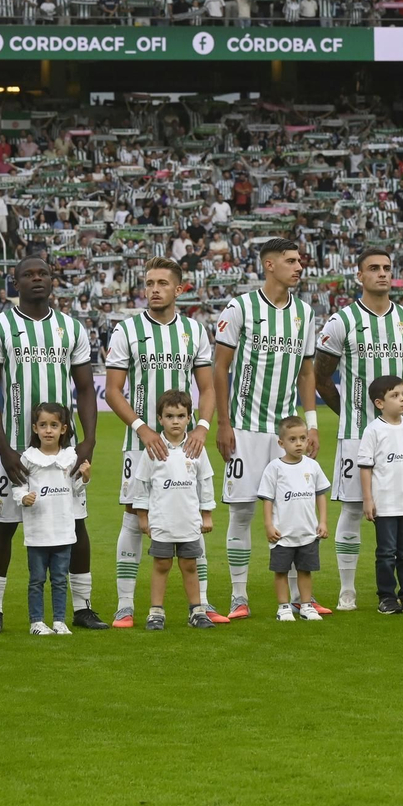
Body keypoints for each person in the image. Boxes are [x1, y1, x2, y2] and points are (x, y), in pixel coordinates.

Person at [0, 257, 106, 633]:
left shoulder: (71, 328)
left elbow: (85, 390)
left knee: (77, 525)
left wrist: (88, 443)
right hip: (17, 451)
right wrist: (4, 449)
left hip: (64, 455)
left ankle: (82, 608)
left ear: (53, 281)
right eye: (28, 275)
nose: (36, 279)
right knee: (3, 526)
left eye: (43, 274)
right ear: (14, 282)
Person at [105, 256, 220, 627]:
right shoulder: (127, 330)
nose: (154, 289)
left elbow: (207, 386)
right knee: (132, 516)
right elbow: (112, 390)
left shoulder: (194, 331)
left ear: (179, 289)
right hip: (140, 440)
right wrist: (141, 427)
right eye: (149, 283)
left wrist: (201, 427)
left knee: (190, 517)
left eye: (162, 283)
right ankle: (125, 604)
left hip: (185, 441)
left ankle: (200, 602)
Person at [315, 247, 403, 611]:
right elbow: (322, 376)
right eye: (373, 269)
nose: (381, 274)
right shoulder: (341, 321)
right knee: (351, 509)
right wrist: (349, 411)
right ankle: (348, 589)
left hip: (399, 434)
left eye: (386, 268)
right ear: (359, 276)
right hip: (355, 435)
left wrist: (396, 407)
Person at [213, 237, 320, 620]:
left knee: (295, 511)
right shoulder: (240, 307)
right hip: (243, 428)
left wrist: (311, 425)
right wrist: (223, 423)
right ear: (269, 265)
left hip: (285, 431)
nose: (299, 266)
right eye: (291, 261)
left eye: (300, 260)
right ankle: (239, 597)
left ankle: (298, 597)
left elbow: (307, 371)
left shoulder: (305, 314)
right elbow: (219, 367)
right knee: (242, 512)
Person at [131, 390, 217, 630]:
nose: (175, 421)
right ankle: (156, 612)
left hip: (189, 521)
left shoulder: (196, 448)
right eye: (170, 416)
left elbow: (206, 481)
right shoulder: (153, 449)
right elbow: (142, 484)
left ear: (189, 418)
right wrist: (143, 516)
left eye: (181, 415)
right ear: (160, 419)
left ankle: (197, 611)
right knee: (161, 565)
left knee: (190, 565)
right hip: (162, 521)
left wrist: (206, 514)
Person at [359, 376, 403, 615]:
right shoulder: (373, 431)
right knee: (386, 554)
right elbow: (366, 468)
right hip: (386, 505)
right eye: (395, 395)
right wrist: (368, 499)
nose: (402, 399)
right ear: (380, 403)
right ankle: (387, 597)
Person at [16, 402, 87, 635]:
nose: (48, 430)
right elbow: (19, 486)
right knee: (37, 579)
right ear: (35, 429)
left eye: (54, 425)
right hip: (38, 532)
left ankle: (59, 621)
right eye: (43, 425)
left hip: (63, 530)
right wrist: (24, 497)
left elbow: (75, 489)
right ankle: (36, 621)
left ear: (63, 429)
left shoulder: (70, 457)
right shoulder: (29, 458)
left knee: (59, 579)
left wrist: (85, 478)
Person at [258, 413, 330, 622]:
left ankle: (306, 605)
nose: (299, 444)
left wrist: (323, 521)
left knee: (305, 570)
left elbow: (320, 495)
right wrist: (269, 525)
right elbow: (267, 499)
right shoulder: (275, 468)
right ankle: (283, 607)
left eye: (303, 438)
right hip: (283, 533)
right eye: (292, 439)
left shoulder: (312, 466)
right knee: (281, 571)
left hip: (308, 532)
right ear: (281, 443)